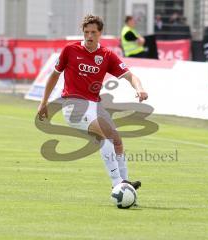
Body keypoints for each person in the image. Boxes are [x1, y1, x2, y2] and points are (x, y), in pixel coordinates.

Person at [37, 15, 148, 190]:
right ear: (83, 32)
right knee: (105, 137)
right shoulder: (70, 50)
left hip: (94, 105)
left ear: (100, 33)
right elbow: (54, 75)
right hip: (73, 105)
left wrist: (139, 89)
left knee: (117, 140)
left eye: (93, 32)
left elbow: (130, 75)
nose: (89, 36)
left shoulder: (106, 55)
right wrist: (44, 102)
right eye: (86, 32)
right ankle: (117, 183)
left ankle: (125, 182)